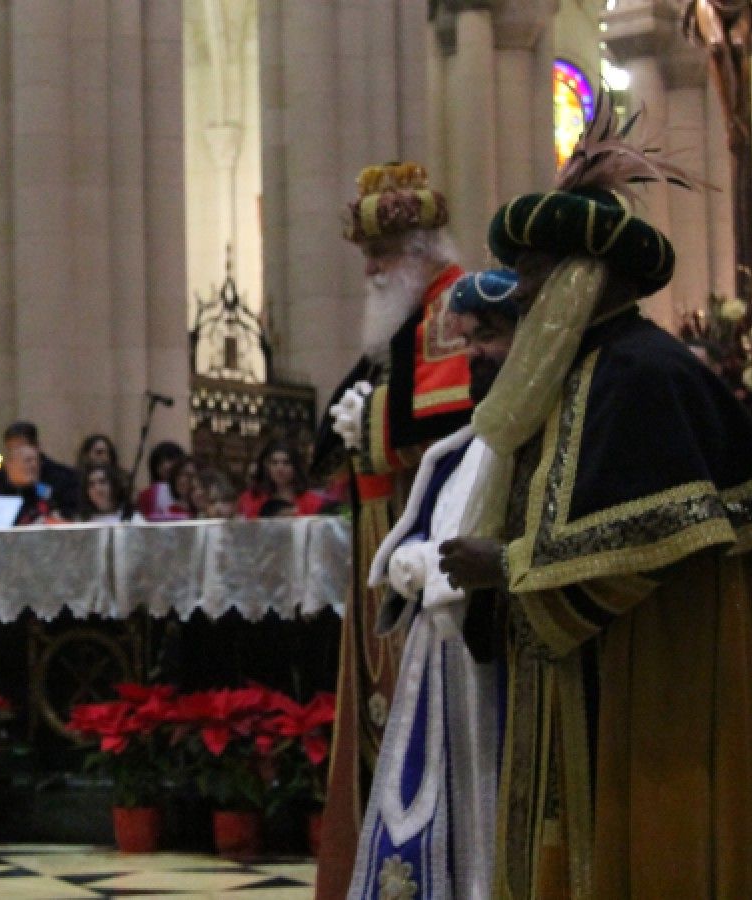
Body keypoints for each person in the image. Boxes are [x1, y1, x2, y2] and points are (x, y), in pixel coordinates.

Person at [438, 104, 752, 897]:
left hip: (649, 674)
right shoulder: (577, 371)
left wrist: (508, 564)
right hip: (579, 667)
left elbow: (647, 543)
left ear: (584, 276)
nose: (522, 293)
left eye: (534, 272)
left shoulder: (642, 373)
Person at [311, 163, 473, 898]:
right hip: (383, 529)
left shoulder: (452, 308)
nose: (372, 270)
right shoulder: (405, 316)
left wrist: (369, 425)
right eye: (368, 255)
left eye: (383, 253)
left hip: (426, 537)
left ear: (422, 249)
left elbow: (454, 417)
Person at [348, 268, 519, 900]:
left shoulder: (539, 437)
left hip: (502, 661)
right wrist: (412, 565)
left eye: (489, 335)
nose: (473, 353)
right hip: (441, 667)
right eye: (468, 338)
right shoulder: (461, 447)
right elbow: (422, 528)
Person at [0, 421, 79, 519]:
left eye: (21, 448)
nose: (18, 454)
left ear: (36, 448)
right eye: (12, 449)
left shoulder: (63, 476)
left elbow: (69, 512)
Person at [238, 441, 324, 519]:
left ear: (296, 467)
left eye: (286, 463)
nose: (280, 468)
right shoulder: (251, 497)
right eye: (274, 463)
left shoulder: (312, 501)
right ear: (267, 467)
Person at [0, 445, 65, 525]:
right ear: (11, 465)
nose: (34, 465)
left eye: (37, 461)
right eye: (28, 460)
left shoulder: (46, 492)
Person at [135, 441, 188, 521]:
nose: (166, 466)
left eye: (170, 460)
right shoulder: (146, 495)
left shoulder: (190, 491)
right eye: (160, 462)